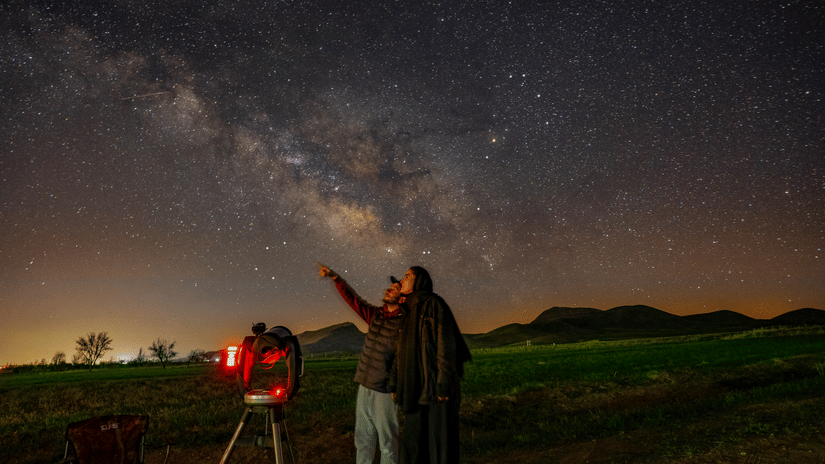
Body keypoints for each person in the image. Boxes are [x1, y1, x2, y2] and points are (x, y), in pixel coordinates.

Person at [319, 263, 405, 464]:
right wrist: (336, 278)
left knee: (387, 443)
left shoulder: (404, 324)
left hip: (385, 390)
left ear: (401, 298)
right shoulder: (376, 315)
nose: (387, 289)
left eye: (393, 289)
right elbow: (353, 300)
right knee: (364, 440)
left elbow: (405, 357)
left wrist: (396, 382)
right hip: (365, 385)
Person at [390, 266, 471, 464]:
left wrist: (443, 382)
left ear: (419, 281)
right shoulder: (406, 313)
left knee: (440, 446)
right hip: (413, 389)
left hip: (436, 389)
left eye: (407, 276)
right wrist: (394, 381)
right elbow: (400, 351)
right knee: (412, 444)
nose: (402, 280)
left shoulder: (435, 305)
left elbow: (446, 344)